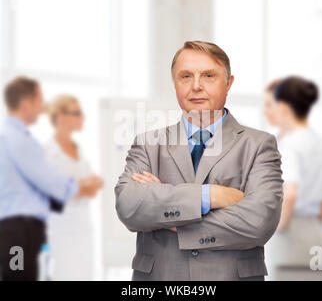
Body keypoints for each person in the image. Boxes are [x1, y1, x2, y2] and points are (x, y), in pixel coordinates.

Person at [115, 41, 284, 281]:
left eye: (208, 76)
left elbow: (259, 221)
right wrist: (210, 196)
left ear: (228, 83)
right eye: (185, 76)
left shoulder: (258, 145)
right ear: (175, 83)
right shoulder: (148, 144)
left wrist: (169, 216)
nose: (196, 86)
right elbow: (129, 206)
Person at [0, 76, 102, 281]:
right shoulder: (16, 139)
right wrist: (80, 187)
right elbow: (49, 182)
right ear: (25, 103)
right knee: (19, 276)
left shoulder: (18, 137)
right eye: (39, 102)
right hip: (19, 230)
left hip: (30, 229)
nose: (42, 108)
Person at [264, 76, 322, 280]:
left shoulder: (291, 145)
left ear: (283, 106)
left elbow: (290, 194)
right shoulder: (321, 144)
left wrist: (276, 229)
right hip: (315, 233)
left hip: (290, 231)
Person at [45, 95, 103, 281]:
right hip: (61, 231)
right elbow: (54, 192)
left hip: (84, 229)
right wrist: (81, 187)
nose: (82, 118)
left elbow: (92, 186)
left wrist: (79, 187)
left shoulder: (78, 149)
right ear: (61, 118)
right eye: (76, 113)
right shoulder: (47, 153)